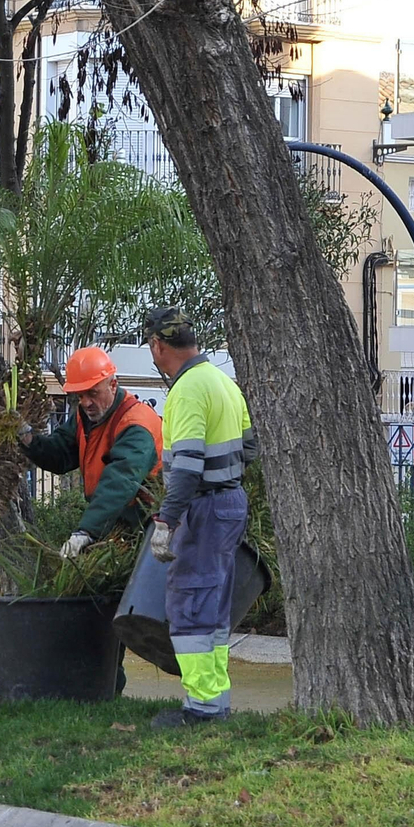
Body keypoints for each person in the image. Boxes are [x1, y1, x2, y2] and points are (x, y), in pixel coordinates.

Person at [143, 307, 257, 728]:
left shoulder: (188, 390)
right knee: (213, 606)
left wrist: (166, 521)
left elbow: (188, 466)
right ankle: (216, 702)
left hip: (203, 509)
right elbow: (249, 447)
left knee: (191, 604)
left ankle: (202, 710)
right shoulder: (223, 383)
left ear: (158, 345)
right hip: (230, 503)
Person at [20, 346, 162, 557]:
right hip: (114, 523)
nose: (85, 402)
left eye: (93, 393)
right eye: (80, 395)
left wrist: (86, 531)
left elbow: (120, 481)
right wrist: (28, 439)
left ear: (113, 385)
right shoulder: (86, 417)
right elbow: (60, 454)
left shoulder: (136, 425)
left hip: (145, 526)